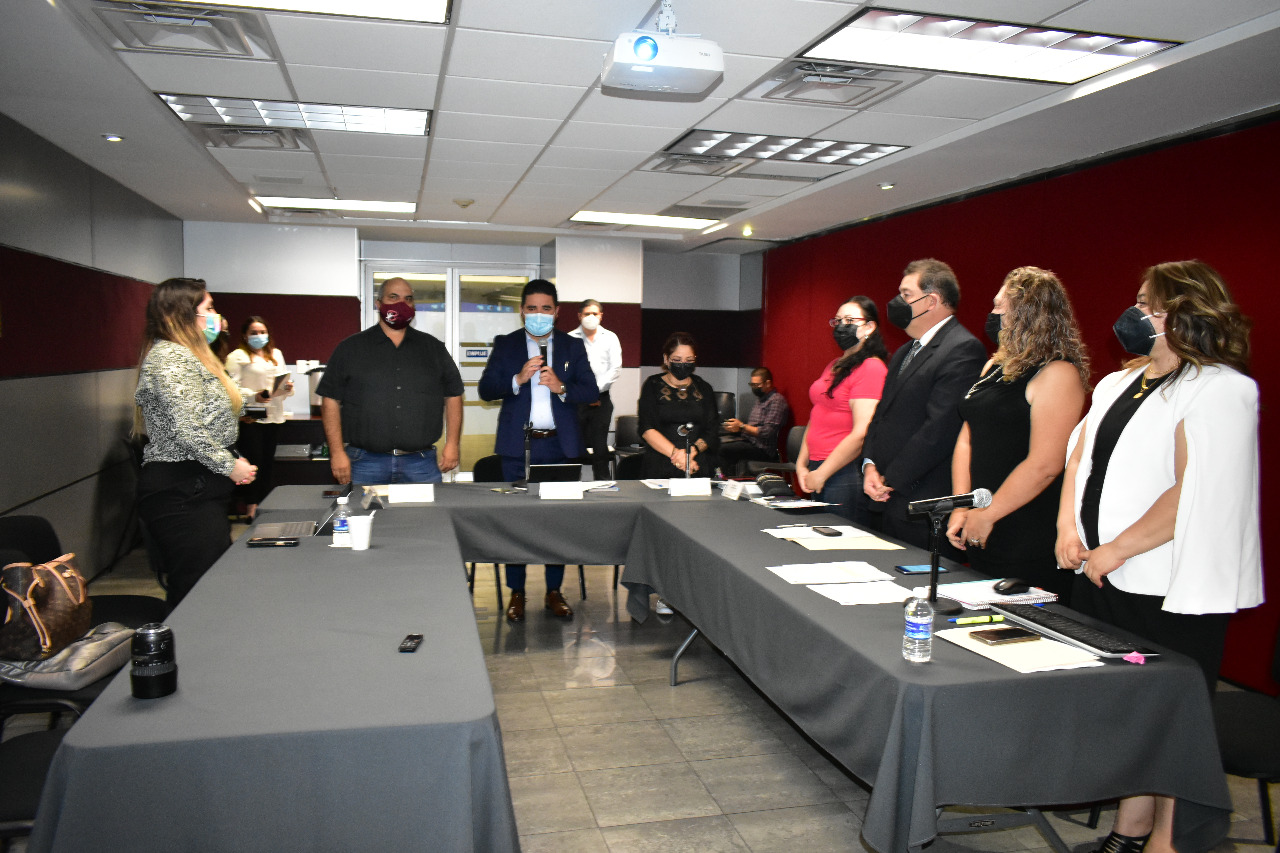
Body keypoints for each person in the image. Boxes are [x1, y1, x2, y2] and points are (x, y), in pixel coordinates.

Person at [1055, 261, 1262, 853]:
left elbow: (1193, 492)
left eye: (1151, 304)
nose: (1136, 313)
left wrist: (1115, 550)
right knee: (1131, 719)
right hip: (1101, 573)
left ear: (1187, 313)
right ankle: (1129, 832)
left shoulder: (1221, 388)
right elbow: (1079, 458)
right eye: (1139, 300)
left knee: (1174, 726)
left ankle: (1168, 843)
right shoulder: (1117, 383)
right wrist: (1068, 529)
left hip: (1168, 587)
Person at [945, 267, 1089, 602]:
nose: (992, 314)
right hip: (981, 519)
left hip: (1025, 527)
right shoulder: (994, 365)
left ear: (1029, 313)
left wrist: (989, 514)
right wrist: (962, 505)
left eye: (1000, 306)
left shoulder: (1058, 372)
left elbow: (1046, 464)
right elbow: (967, 438)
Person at [134, 278, 264, 605]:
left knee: (210, 585)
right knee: (195, 591)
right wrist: (229, 465)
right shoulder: (170, 358)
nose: (217, 316)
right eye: (209, 308)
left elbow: (216, 406)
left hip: (201, 485)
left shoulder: (194, 356)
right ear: (182, 314)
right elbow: (187, 429)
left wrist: (257, 404)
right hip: (181, 490)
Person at [478, 279, 598, 622]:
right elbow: (486, 389)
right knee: (515, 522)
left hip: (560, 447)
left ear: (557, 312)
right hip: (518, 448)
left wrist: (562, 387)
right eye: (532, 308)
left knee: (556, 523)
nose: (539, 314)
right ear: (522, 311)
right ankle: (516, 592)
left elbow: (590, 390)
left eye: (546, 308)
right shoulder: (506, 344)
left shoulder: (572, 346)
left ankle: (553, 591)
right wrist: (516, 380)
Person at [860, 259, 987, 551]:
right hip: (886, 496)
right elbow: (881, 415)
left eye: (906, 295)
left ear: (931, 301)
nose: (897, 302)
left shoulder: (962, 348)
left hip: (922, 502)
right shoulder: (905, 351)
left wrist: (889, 478)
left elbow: (939, 430)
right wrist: (869, 465)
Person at [317, 277, 463, 486]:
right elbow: (330, 400)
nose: (401, 304)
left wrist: (452, 444)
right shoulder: (350, 348)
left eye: (408, 299)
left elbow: (453, 394)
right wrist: (337, 452)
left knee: (427, 510)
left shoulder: (433, 349)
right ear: (379, 304)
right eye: (393, 297)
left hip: (420, 464)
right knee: (361, 509)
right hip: (364, 463)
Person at [795, 297, 888, 519]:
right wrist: (801, 463)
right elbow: (817, 415)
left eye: (849, 320)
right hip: (818, 467)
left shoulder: (871, 368)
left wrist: (822, 473)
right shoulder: (834, 365)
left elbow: (862, 433)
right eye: (837, 321)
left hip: (844, 472)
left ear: (869, 326)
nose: (841, 326)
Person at [224, 316, 294, 520]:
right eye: (254, 333)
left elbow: (283, 386)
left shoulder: (276, 354)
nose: (259, 336)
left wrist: (287, 388)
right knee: (253, 461)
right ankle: (251, 507)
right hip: (251, 418)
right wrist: (255, 395)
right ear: (245, 335)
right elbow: (231, 388)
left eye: (262, 332)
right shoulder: (237, 356)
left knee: (267, 464)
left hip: (274, 416)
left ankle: (264, 503)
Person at [637, 332, 720, 480]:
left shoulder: (704, 387)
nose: (683, 364)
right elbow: (647, 428)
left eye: (689, 360)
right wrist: (678, 456)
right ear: (666, 359)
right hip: (661, 460)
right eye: (677, 360)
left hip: (696, 462)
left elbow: (712, 430)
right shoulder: (652, 385)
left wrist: (690, 453)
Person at [568, 299, 622, 479]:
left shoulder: (610, 338)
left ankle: (603, 484)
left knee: (600, 448)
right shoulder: (569, 338)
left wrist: (594, 390)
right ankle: (569, 483)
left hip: (601, 399)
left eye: (594, 313)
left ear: (601, 316)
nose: (590, 317)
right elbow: (566, 370)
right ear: (579, 316)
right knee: (573, 446)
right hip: (576, 400)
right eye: (586, 314)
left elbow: (615, 369)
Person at [719, 368, 792, 476]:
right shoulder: (760, 399)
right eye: (752, 384)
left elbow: (767, 432)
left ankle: (727, 479)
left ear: (768, 383)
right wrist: (736, 428)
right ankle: (730, 477)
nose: (754, 388)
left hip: (762, 448)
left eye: (757, 385)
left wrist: (742, 426)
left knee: (723, 450)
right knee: (717, 442)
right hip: (749, 441)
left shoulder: (776, 401)